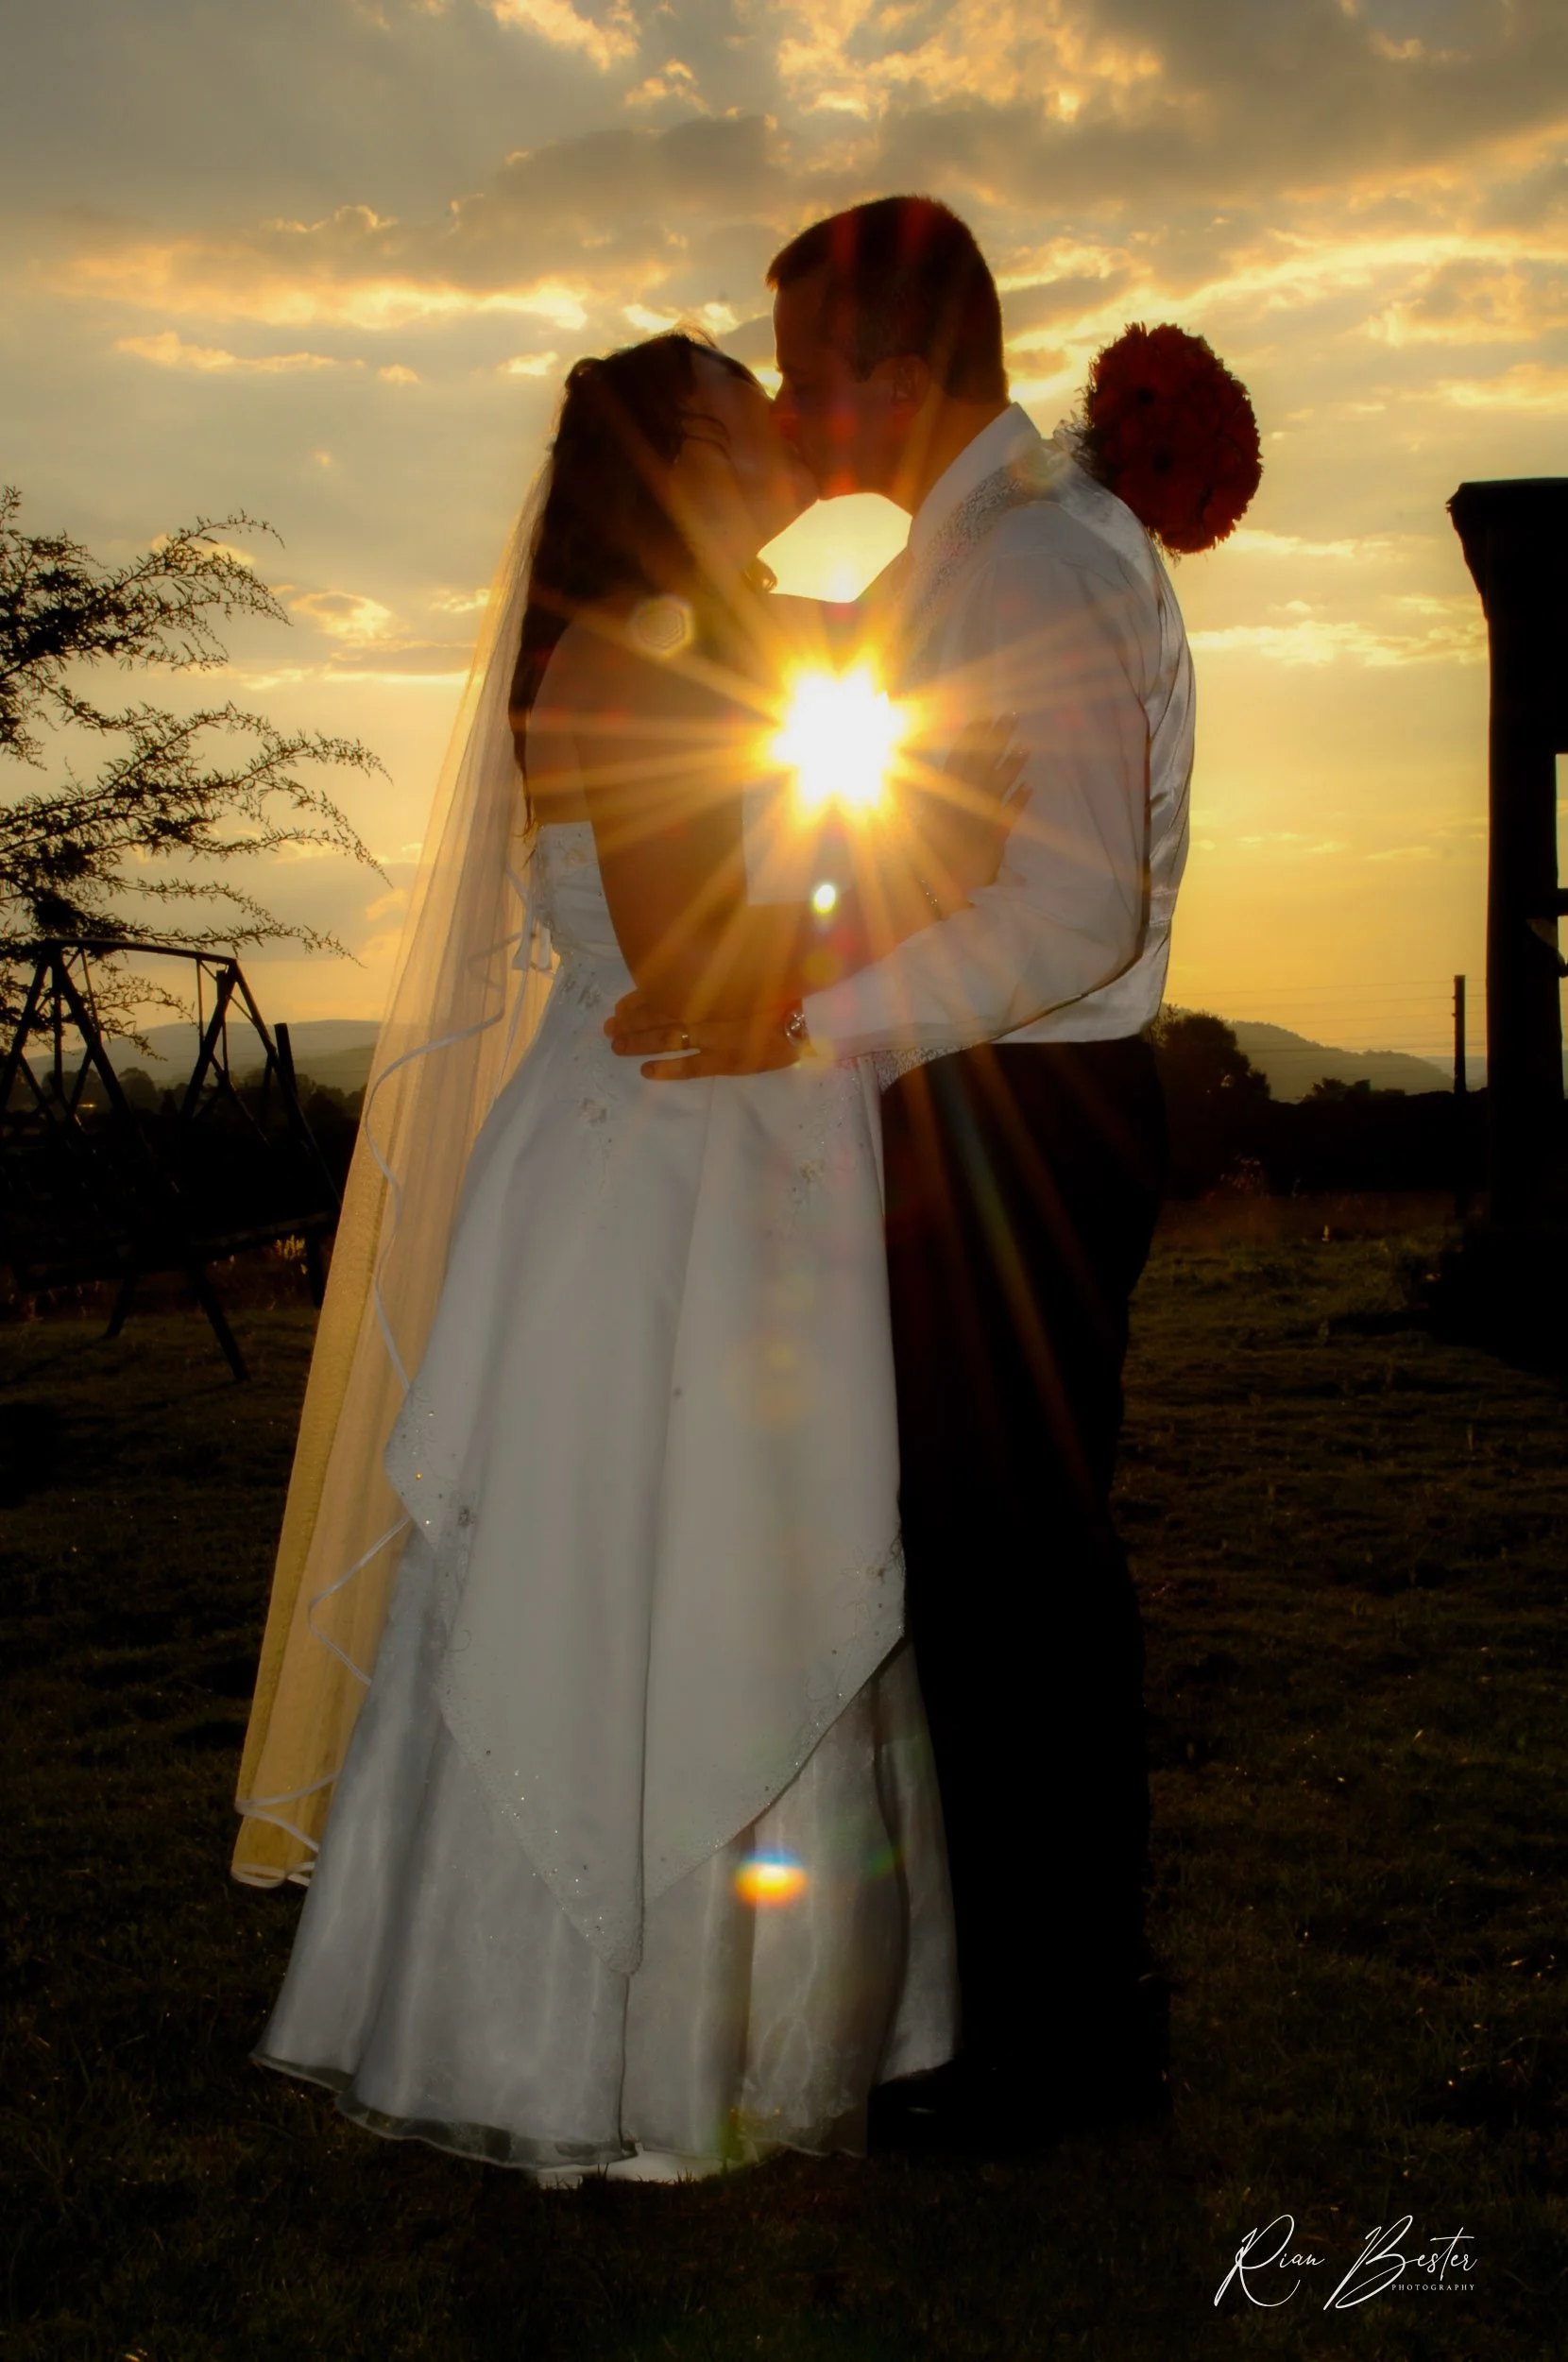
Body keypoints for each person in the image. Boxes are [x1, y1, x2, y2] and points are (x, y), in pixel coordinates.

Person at [235, 330, 1023, 2182]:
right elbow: (695, 971)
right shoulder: (639, 658)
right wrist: (939, 882)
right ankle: (594, 2040)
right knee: (627, 1585)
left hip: (705, 1157)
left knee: (712, 1569)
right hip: (653, 1183)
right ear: (669, 464)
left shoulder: (708, 643)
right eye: (742, 427)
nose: (782, 444)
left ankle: (721, 2026)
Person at [611, 197, 1210, 2147]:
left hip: (1020, 1120)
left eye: (802, 363)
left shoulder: (1034, 555)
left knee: (1015, 1579)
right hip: (979, 1109)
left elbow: (1063, 909)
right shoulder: (977, 549)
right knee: (976, 1572)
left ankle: (1053, 2048)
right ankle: (1019, 2022)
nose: (791, 400)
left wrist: (815, 1017)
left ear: (895, 369)